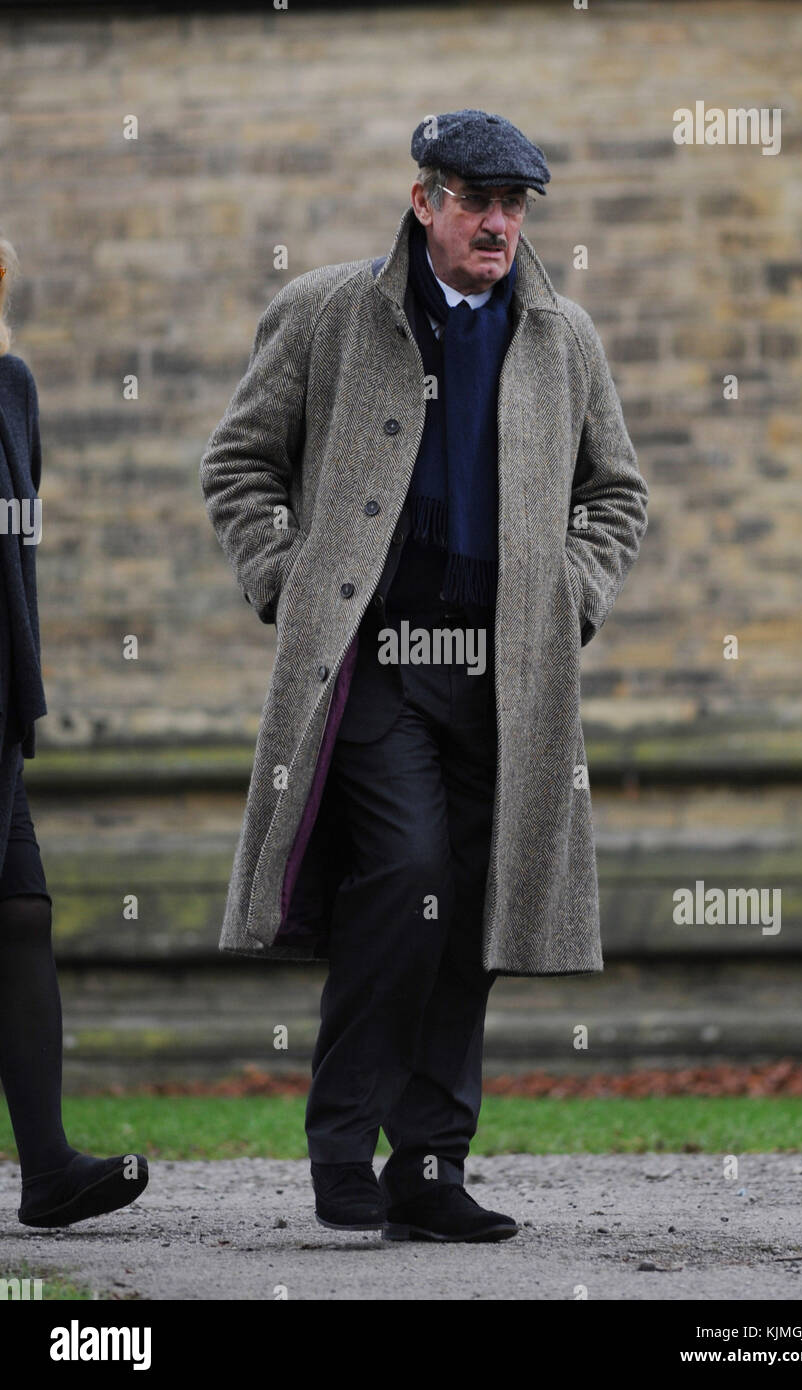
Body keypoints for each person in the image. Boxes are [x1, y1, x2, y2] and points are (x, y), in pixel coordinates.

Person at [200, 109, 649, 1243]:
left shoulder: (564, 338)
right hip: (378, 663)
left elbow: (616, 494)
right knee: (405, 877)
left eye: (513, 206)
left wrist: (571, 594)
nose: (496, 224)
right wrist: (284, 579)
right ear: (423, 202)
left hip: (506, 677)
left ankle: (432, 1164)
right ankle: (342, 1139)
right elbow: (239, 462)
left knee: (471, 906)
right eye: (473, 201)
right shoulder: (326, 313)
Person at [0, 235, 149, 1227]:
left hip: (1, 708)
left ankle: (48, 1169)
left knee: (21, 914)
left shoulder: (13, 388)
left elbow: (20, 554)